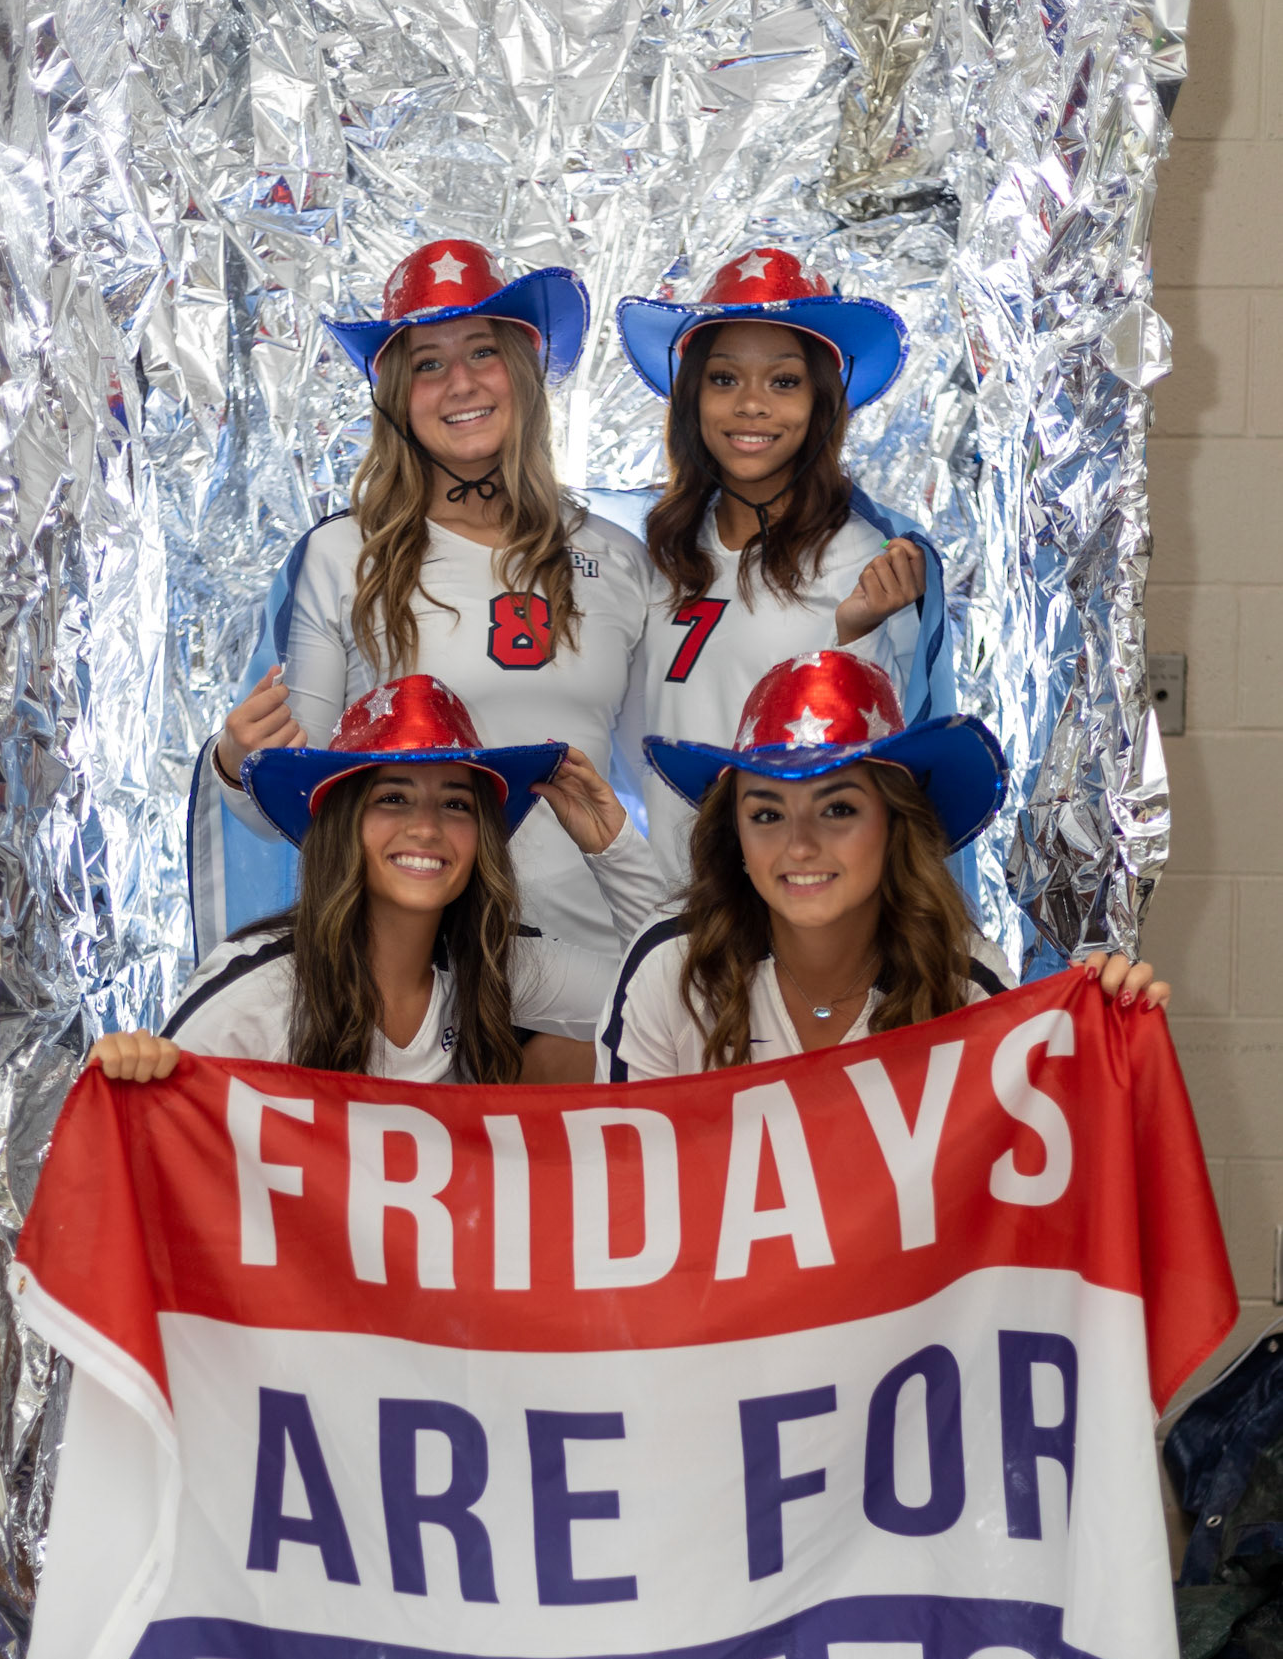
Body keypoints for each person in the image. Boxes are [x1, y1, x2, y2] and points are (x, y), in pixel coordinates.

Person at [209, 238, 651, 967]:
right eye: (427, 364)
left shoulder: (616, 556)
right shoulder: (344, 557)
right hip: (415, 974)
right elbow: (291, 808)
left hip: (590, 966)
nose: (460, 385)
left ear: (521, 369)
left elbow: (656, 796)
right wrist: (236, 762)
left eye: (481, 352)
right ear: (395, 398)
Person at [597, 650, 1170, 1081]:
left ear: (895, 825)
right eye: (767, 816)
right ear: (735, 839)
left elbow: (1026, 1197)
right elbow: (623, 1194)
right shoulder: (671, 970)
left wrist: (1103, 1055)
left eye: (838, 809)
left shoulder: (964, 985)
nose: (798, 846)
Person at [94, 676, 663, 1085]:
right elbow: (146, 1137)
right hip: (303, 1252)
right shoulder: (262, 987)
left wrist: (611, 846)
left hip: (436, 1248)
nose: (426, 828)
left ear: (482, 839)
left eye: (457, 804)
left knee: (587, 1055)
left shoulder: (494, 962)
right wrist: (130, 1069)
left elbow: (678, 1000)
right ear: (343, 826)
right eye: (392, 798)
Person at [614, 247, 946, 889]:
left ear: (822, 401)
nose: (752, 405)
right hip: (669, 920)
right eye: (724, 378)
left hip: (795, 912)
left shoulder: (865, 561)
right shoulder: (653, 552)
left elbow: (889, 775)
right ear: (691, 398)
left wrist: (857, 633)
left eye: (784, 381)